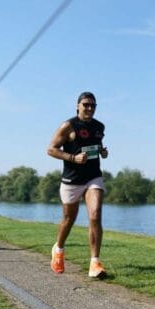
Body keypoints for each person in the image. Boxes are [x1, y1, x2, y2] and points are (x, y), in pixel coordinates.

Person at [46, 91, 109, 279]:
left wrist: (102, 152)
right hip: (72, 180)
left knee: (95, 214)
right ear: (78, 106)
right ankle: (58, 249)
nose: (89, 108)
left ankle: (94, 263)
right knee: (68, 220)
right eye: (86, 105)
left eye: (93, 105)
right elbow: (51, 149)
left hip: (93, 177)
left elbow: (96, 146)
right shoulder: (68, 126)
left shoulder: (99, 126)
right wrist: (73, 157)